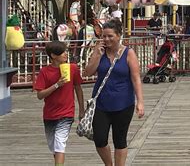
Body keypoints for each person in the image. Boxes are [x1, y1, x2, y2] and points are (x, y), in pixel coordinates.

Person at [83, 19, 144, 166]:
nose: (106, 39)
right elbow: (87, 72)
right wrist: (97, 55)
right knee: (99, 138)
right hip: (101, 102)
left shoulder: (128, 53)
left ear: (119, 35)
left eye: (110, 36)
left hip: (123, 103)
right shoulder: (99, 51)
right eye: (104, 36)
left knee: (120, 139)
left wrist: (140, 102)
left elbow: (136, 78)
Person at [35, 41, 85, 166]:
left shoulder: (72, 68)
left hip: (66, 113)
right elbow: (40, 95)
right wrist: (57, 85)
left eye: (65, 52)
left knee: (59, 143)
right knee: (54, 147)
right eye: (62, 52)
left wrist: (82, 109)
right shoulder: (44, 72)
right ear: (53, 55)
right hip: (49, 114)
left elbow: (78, 88)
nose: (65, 54)